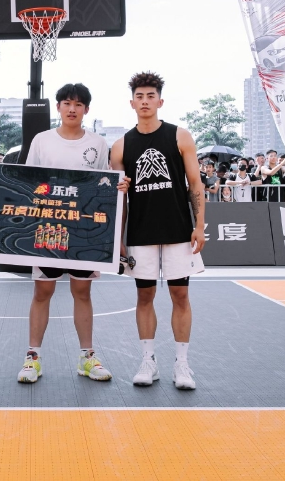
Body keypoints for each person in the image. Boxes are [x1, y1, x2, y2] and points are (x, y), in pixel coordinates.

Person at [17, 83, 118, 385]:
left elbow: (103, 185)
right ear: (59, 107)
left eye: (78, 104)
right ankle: (33, 357)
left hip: (83, 231)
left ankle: (87, 357)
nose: (72, 109)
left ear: (86, 109)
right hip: (49, 229)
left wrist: (117, 187)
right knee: (42, 292)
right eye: (67, 103)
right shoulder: (42, 140)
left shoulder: (98, 143)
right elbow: (29, 182)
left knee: (82, 292)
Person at [111, 72, 205, 391]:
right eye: (139, 96)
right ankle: (148, 361)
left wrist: (199, 225)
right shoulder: (121, 145)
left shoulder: (180, 136)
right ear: (132, 103)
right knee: (144, 295)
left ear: (160, 101)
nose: (145, 101)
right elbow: (118, 197)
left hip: (178, 229)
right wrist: (118, 238)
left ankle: (182, 364)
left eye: (150, 96)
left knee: (181, 294)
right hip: (141, 232)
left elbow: (195, 184)